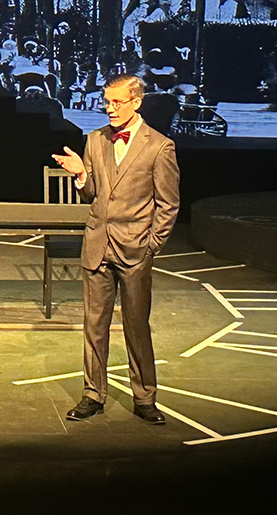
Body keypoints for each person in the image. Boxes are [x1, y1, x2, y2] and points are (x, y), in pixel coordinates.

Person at [47, 74, 181, 425]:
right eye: (106, 102)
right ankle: (93, 394)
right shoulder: (95, 140)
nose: (109, 109)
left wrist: (151, 246)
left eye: (116, 102)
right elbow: (91, 194)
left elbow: (168, 205)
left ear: (136, 102)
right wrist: (79, 174)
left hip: (136, 250)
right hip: (97, 245)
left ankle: (144, 397)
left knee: (137, 326)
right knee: (94, 326)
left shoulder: (159, 146)